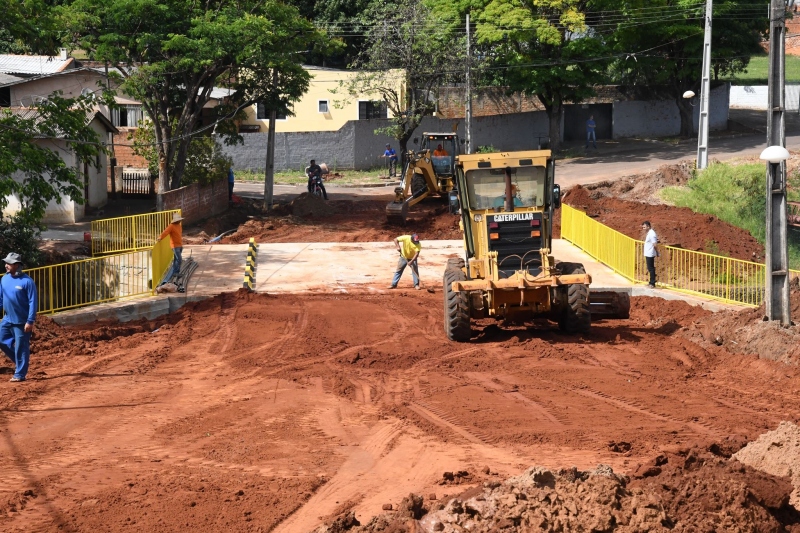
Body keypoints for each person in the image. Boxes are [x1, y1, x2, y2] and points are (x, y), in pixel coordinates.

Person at [0, 253, 37, 382]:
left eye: (8, 263)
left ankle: (20, 374)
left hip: (22, 321)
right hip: (7, 319)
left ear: (16, 265)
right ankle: (20, 361)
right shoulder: (4, 279)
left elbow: (33, 302)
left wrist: (30, 321)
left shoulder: (27, 282)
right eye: (6, 263)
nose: (6, 265)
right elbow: (1, 298)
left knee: (21, 346)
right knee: (1, 340)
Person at [159, 213, 184, 285]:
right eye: (178, 220)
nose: (179, 221)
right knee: (179, 259)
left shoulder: (179, 226)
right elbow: (165, 232)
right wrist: (160, 237)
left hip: (179, 245)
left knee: (176, 260)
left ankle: (176, 272)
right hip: (174, 246)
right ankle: (176, 272)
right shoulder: (171, 226)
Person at [642, 221, 659, 288]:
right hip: (648, 253)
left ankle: (652, 283)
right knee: (650, 268)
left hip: (650, 253)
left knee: (651, 268)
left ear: (648, 226)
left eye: (644, 227)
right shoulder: (649, 233)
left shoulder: (652, 234)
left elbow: (654, 244)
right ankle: (651, 282)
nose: (643, 228)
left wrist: (657, 252)